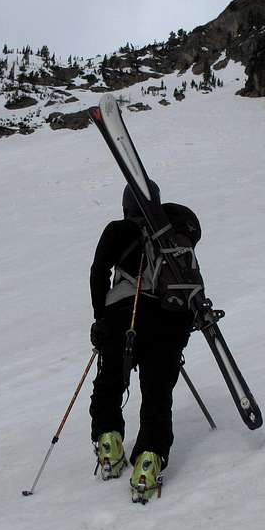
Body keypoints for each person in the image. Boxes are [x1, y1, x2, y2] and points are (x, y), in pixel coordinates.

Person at [89, 184, 198, 501]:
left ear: (126, 207)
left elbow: (98, 273)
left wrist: (100, 317)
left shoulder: (117, 230)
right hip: (170, 320)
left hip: (123, 315)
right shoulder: (173, 232)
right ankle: (149, 458)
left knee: (110, 380)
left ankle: (109, 443)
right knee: (157, 392)